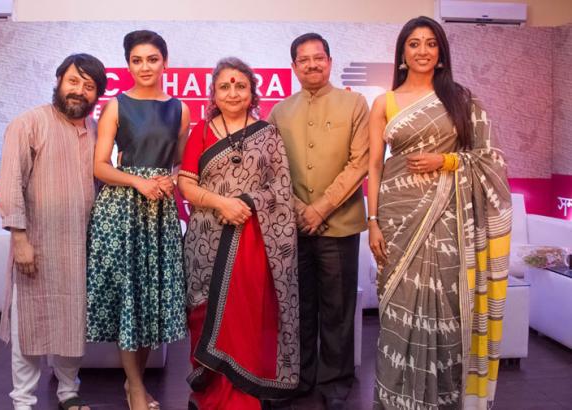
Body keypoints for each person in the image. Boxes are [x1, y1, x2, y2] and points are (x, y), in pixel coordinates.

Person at [367, 16, 512, 409]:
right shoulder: (384, 102)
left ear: (442, 53)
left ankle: (444, 400)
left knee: (446, 305)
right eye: (414, 43)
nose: (423, 51)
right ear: (402, 53)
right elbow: (375, 167)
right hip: (396, 219)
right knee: (397, 308)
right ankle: (396, 400)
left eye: (431, 43)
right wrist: (373, 222)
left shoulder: (462, 100)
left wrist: (446, 161)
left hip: (449, 218)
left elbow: (490, 159)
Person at [177, 57, 299, 410]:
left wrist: (247, 202)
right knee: (203, 312)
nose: (232, 93)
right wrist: (222, 203)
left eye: (240, 85)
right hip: (205, 240)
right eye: (224, 86)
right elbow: (186, 183)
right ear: (213, 94)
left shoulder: (268, 134)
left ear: (252, 92)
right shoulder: (201, 131)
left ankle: (244, 395)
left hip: (253, 242)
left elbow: (281, 187)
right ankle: (209, 394)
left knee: (247, 315)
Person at [85, 30, 189, 410]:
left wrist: (170, 179)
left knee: (150, 302)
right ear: (128, 64)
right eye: (136, 60)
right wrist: (138, 181)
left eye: (152, 59)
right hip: (122, 212)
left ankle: (135, 385)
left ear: (165, 62)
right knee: (130, 299)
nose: (145, 67)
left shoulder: (179, 109)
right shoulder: (116, 105)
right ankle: (136, 388)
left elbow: (179, 164)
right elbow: (99, 166)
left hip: (159, 213)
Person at [0, 53, 107, 410]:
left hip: (80, 246)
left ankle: (68, 392)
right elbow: (11, 184)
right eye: (73, 81)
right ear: (59, 81)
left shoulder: (96, 130)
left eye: (89, 86)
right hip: (37, 244)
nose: (79, 91)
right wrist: (20, 239)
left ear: (97, 94)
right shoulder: (29, 123)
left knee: (72, 321)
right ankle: (23, 400)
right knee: (30, 323)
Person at [268, 33, 369, 410]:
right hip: (293, 227)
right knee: (298, 307)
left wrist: (321, 208)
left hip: (339, 225)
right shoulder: (280, 111)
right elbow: (273, 169)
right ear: (293, 66)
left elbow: (360, 162)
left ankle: (336, 382)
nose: (312, 64)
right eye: (304, 59)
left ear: (329, 61)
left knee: (337, 308)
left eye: (318, 57)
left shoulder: (354, 103)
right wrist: (299, 209)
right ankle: (299, 377)